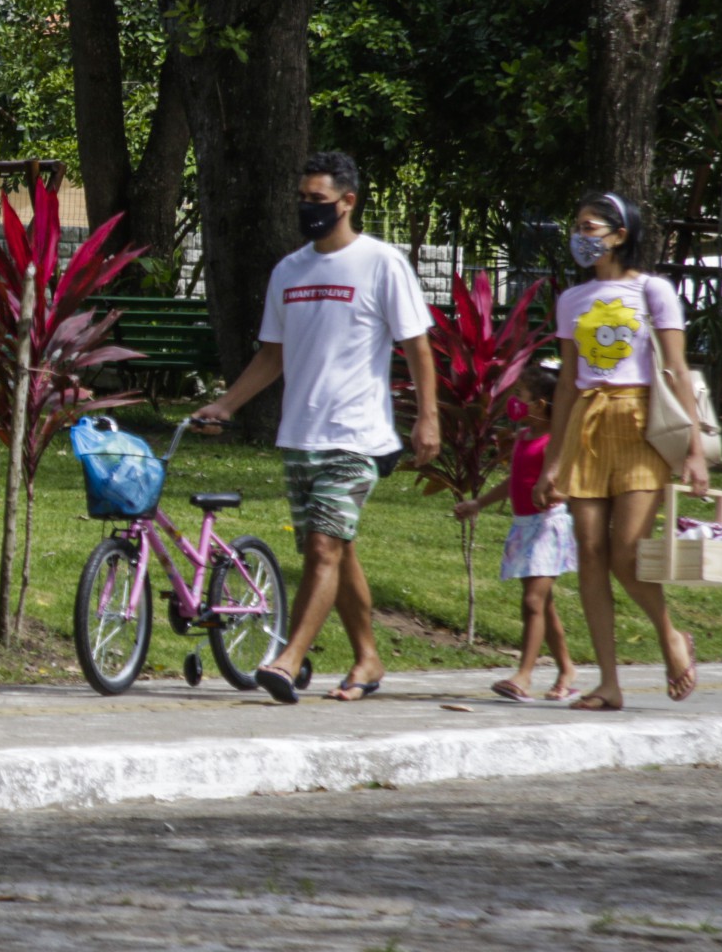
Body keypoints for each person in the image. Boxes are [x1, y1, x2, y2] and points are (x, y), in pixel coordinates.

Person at [192, 151, 439, 704]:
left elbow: (417, 346)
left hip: (358, 436)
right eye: (303, 200)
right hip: (300, 434)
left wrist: (428, 418)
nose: (308, 209)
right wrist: (227, 405)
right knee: (335, 550)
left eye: (319, 201)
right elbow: (271, 355)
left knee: (325, 546)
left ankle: (288, 658)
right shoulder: (290, 270)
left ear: (348, 202)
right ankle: (368, 658)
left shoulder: (381, 263)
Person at [537, 191, 710, 710]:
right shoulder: (571, 300)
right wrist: (553, 461)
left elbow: (678, 370)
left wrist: (694, 450)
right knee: (589, 555)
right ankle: (609, 682)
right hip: (587, 427)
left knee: (627, 552)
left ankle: (670, 636)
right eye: (578, 226)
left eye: (590, 227)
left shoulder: (653, 291)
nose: (581, 236)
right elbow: (567, 381)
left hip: (640, 426)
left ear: (620, 234)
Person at [454, 363, 580, 702]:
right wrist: (478, 503)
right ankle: (567, 669)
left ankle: (523, 677)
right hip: (523, 526)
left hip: (547, 528)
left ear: (541, 404)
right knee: (544, 605)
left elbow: (573, 484)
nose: (514, 402)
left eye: (520, 396)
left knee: (533, 602)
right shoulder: (524, 437)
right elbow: (514, 483)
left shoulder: (556, 442)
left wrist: (557, 494)